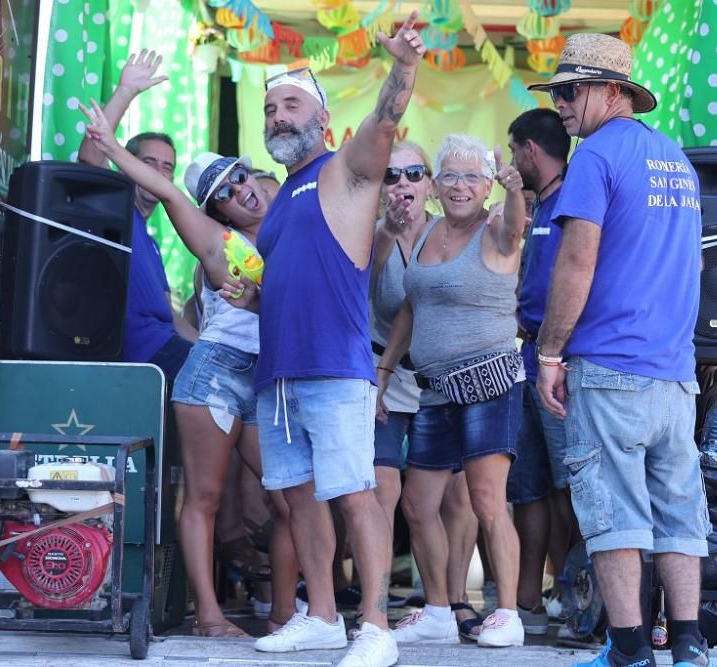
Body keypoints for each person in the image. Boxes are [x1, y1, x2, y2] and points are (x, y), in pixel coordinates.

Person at [221, 13, 425, 667]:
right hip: (279, 371)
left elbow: (387, 118)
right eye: (271, 107)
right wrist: (256, 296)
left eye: (292, 105)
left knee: (353, 494)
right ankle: (323, 616)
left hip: (335, 365)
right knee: (297, 495)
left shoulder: (346, 171)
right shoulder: (279, 198)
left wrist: (404, 65)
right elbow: (296, 275)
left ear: (326, 121)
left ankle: (374, 625)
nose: (278, 116)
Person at [82, 104, 302, 638]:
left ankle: (285, 616)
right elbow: (175, 196)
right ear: (217, 209)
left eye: (242, 176)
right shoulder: (216, 242)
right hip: (215, 374)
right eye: (225, 191)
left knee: (292, 498)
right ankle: (208, 615)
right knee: (204, 496)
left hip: (266, 377)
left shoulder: (288, 228)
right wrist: (111, 148)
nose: (241, 190)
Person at [529, 34, 711, 667]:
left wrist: (550, 352)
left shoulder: (595, 157)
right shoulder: (676, 161)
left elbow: (577, 262)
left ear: (611, 92)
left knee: (614, 516)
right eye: (556, 92)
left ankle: (629, 651)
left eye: (570, 91)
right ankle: (688, 646)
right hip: (674, 374)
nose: (560, 104)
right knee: (679, 512)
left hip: (610, 368)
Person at [377, 134, 527, 648]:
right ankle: (440, 607)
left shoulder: (496, 226)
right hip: (433, 390)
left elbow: (516, 226)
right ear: (436, 186)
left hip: (489, 383)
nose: (460, 185)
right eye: (450, 176)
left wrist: (515, 191)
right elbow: (410, 308)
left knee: (487, 501)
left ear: (487, 185)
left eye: (472, 177)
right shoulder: (427, 232)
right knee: (418, 506)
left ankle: (507, 612)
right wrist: (383, 372)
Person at [371, 140, 482, 639]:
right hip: (384, 373)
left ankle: (455, 602)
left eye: (414, 174)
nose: (403, 185)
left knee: (460, 501)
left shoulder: (452, 233)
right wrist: (385, 236)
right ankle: (378, 606)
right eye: (391, 176)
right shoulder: (369, 235)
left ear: (430, 185)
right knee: (386, 494)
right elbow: (356, 287)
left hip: (445, 377)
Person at [76, 49, 196, 380]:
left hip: (167, 345)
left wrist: (210, 349)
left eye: (167, 166)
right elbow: (90, 159)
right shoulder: (113, 213)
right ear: (125, 164)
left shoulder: (152, 243)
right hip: (141, 357)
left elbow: (171, 318)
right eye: (149, 163)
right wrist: (125, 91)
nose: (159, 172)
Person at [503, 108, 577, 638]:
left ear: (530, 150)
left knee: (566, 486)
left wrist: (556, 355)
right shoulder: (541, 205)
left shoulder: (573, 201)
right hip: (526, 357)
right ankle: (526, 594)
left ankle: (573, 591)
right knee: (526, 485)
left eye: (513, 151)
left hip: (558, 363)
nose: (511, 161)